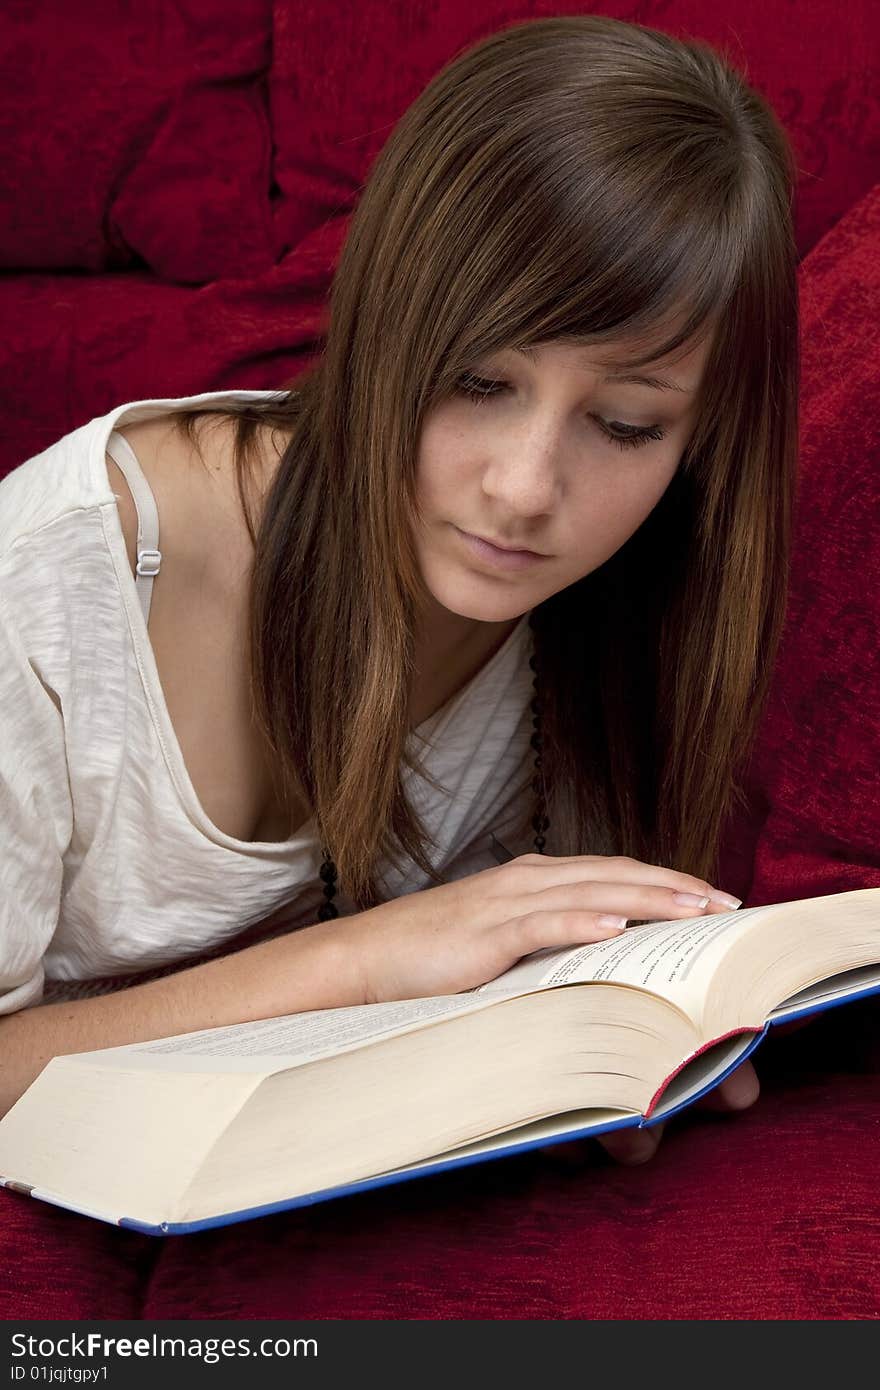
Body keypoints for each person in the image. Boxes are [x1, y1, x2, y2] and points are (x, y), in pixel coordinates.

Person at [0, 14, 797, 1164]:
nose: (524, 488)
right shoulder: (59, 573)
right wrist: (362, 959)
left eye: (625, 423)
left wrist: (613, 1032)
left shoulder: (612, 603)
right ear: (381, 317)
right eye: (478, 381)